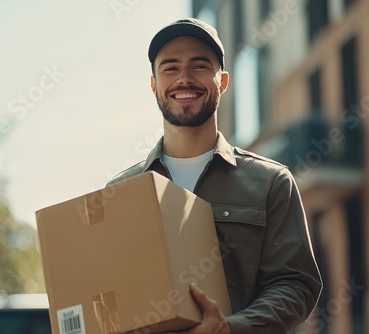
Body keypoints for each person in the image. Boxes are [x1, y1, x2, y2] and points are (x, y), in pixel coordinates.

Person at [107, 18, 322, 334]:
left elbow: (295, 286)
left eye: (199, 66)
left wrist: (229, 328)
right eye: (170, 68)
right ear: (154, 85)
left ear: (222, 81)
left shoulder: (271, 182)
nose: (184, 79)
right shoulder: (120, 191)